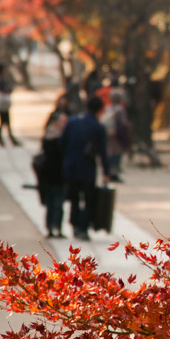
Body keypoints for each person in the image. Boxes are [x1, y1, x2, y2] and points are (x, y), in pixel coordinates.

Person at [60, 96, 110, 241]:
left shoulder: (72, 121)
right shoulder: (98, 127)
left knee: (74, 198)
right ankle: (83, 228)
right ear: (100, 110)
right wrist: (106, 172)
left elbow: (62, 143)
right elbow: (103, 152)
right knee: (88, 199)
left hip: (70, 166)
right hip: (87, 167)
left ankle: (75, 225)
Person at [37, 111, 68, 239]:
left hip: (47, 175)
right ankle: (57, 227)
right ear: (55, 122)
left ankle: (50, 227)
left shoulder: (47, 136)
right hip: (57, 174)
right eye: (62, 121)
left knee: (51, 203)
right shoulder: (59, 138)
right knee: (58, 203)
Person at [101, 89, 131, 182]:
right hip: (117, 136)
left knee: (110, 154)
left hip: (109, 135)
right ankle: (114, 174)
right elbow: (124, 123)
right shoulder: (120, 109)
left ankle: (110, 173)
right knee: (117, 156)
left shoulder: (107, 108)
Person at [0, 64, 20, 146]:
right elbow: (5, 89)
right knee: (4, 122)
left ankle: (2, 137)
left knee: (3, 122)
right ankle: (1, 137)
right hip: (0, 104)